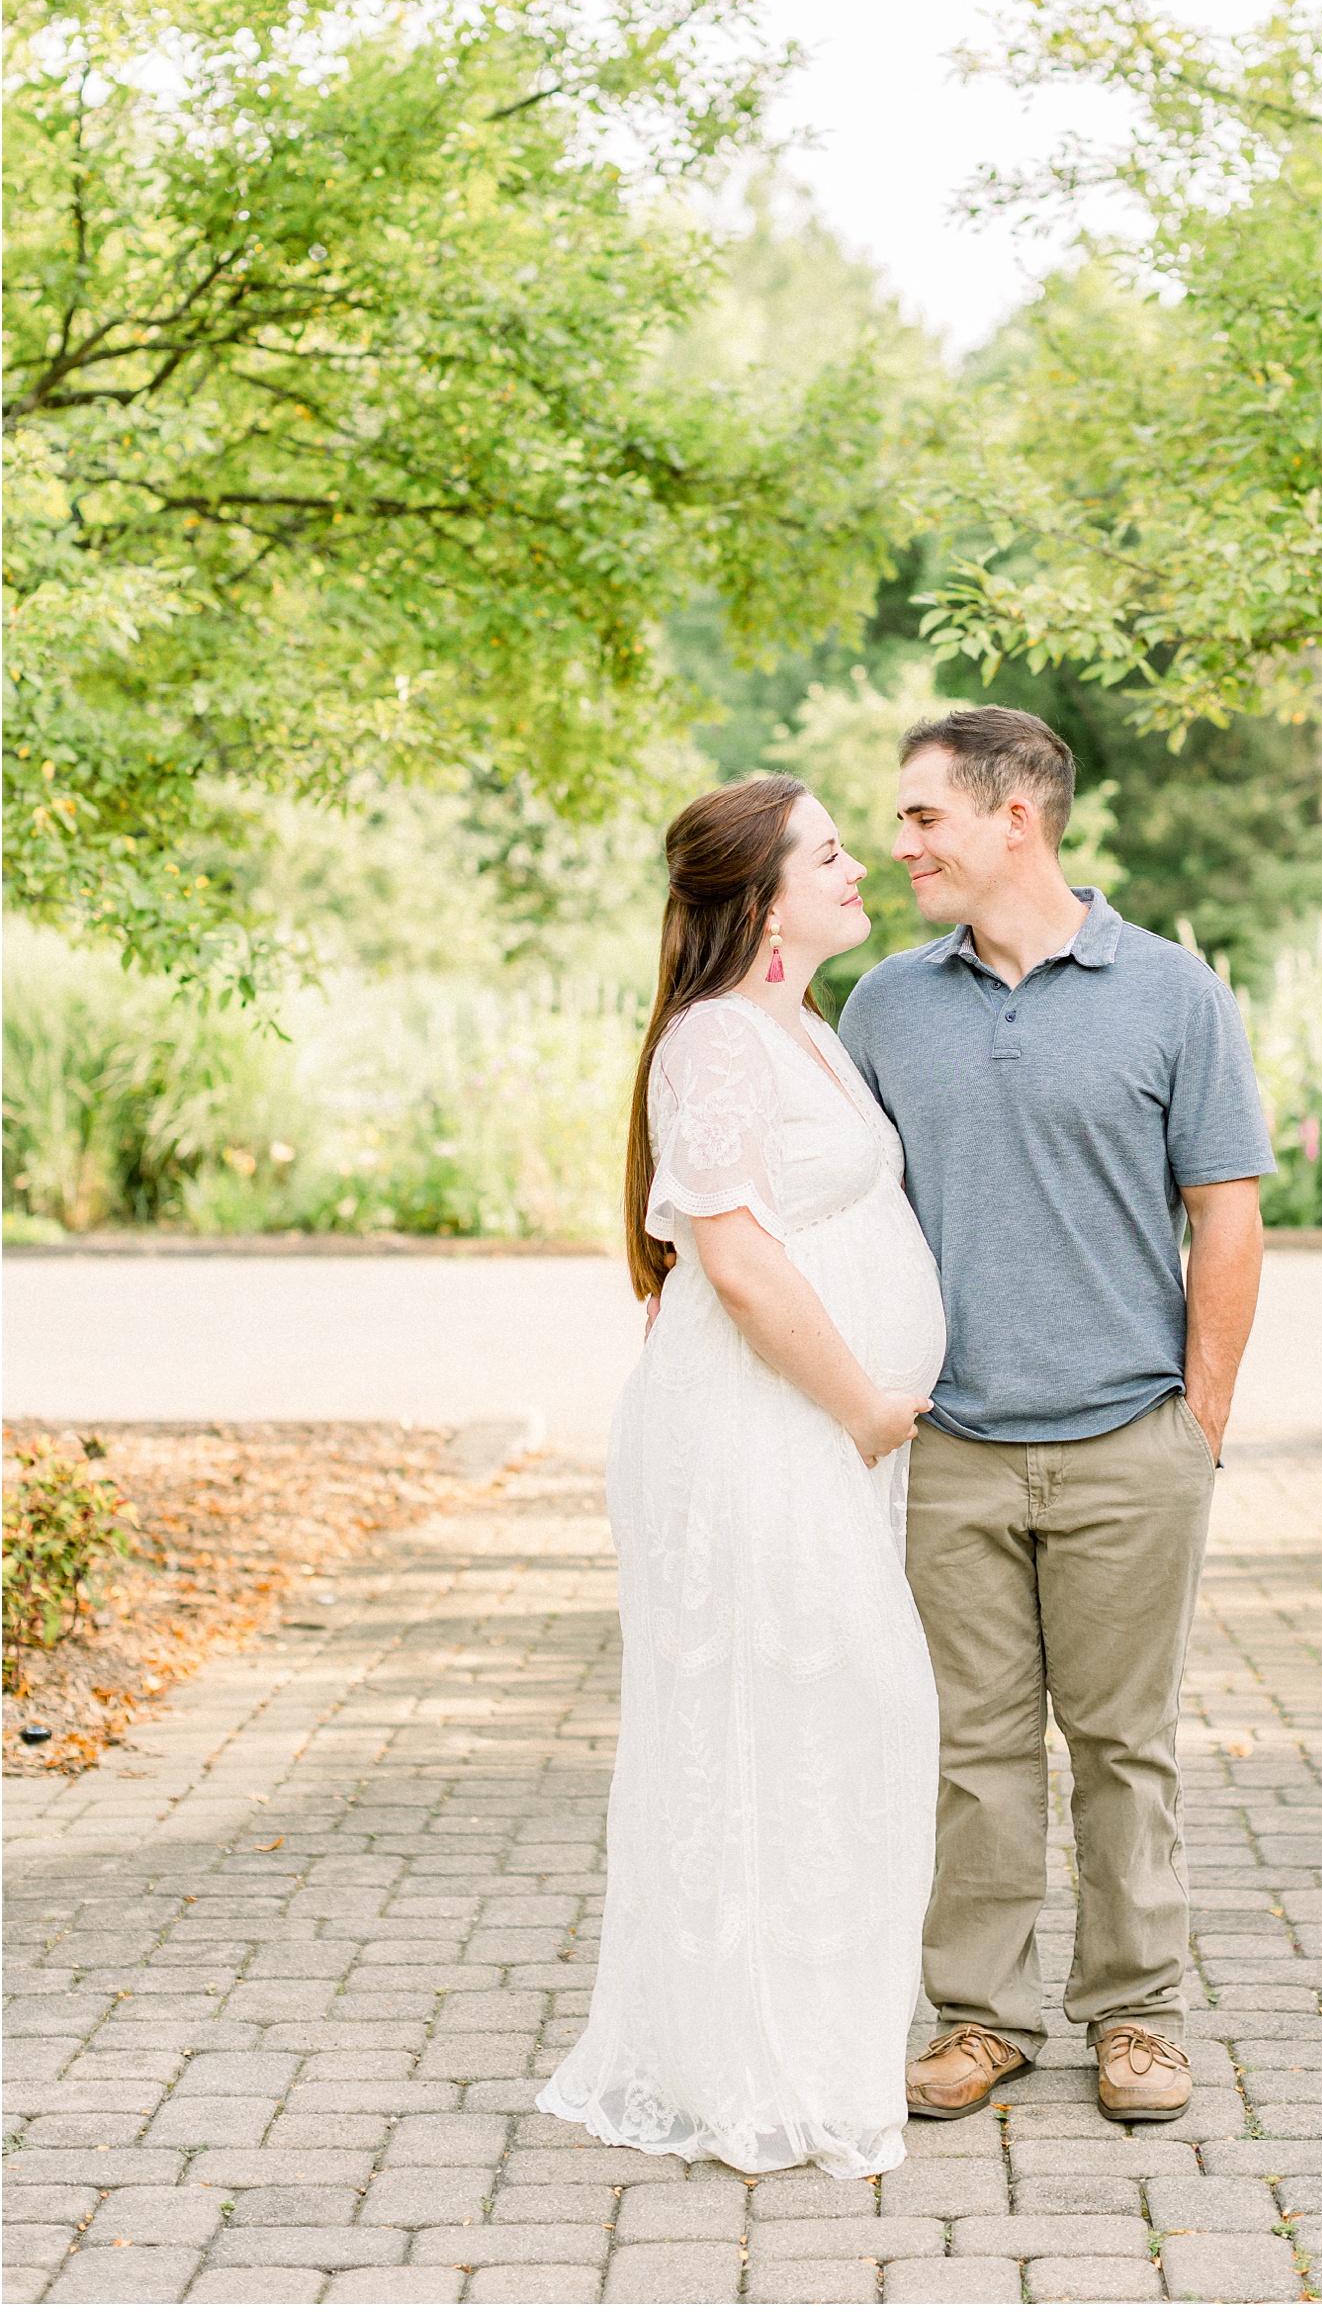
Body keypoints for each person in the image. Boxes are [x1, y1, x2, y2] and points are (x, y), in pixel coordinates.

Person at [839, 705, 1275, 2126]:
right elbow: (842, 1217)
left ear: (1014, 813)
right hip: (952, 1444)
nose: (900, 843)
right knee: (967, 1748)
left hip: (1128, 1442)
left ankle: (1139, 2015)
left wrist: (1197, 1426)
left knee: (1122, 1744)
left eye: (922, 816)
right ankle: (981, 2016)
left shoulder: (1171, 993)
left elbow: (1227, 1213)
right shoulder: (885, 1007)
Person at [538, 774, 944, 2178]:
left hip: (804, 1430)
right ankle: (752, 2061)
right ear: (764, 894)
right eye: (831, 853)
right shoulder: (719, 1040)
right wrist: (865, 1407)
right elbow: (742, 1264)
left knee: (827, 1724)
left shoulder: (801, 1030)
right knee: (814, 1716)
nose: (860, 868)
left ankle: (806, 2042)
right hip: (771, 1428)